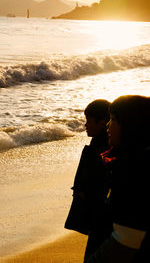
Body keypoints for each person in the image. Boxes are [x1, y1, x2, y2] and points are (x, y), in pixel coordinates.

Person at [86, 95, 150, 263]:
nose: (107, 125)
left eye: (113, 119)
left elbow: (125, 240)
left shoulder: (134, 171)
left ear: (131, 127)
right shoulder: (147, 163)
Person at [65, 99, 111, 238]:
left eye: (89, 121)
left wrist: (83, 192)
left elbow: (98, 180)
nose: (85, 125)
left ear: (102, 123)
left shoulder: (103, 147)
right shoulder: (99, 141)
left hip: (98, 210)